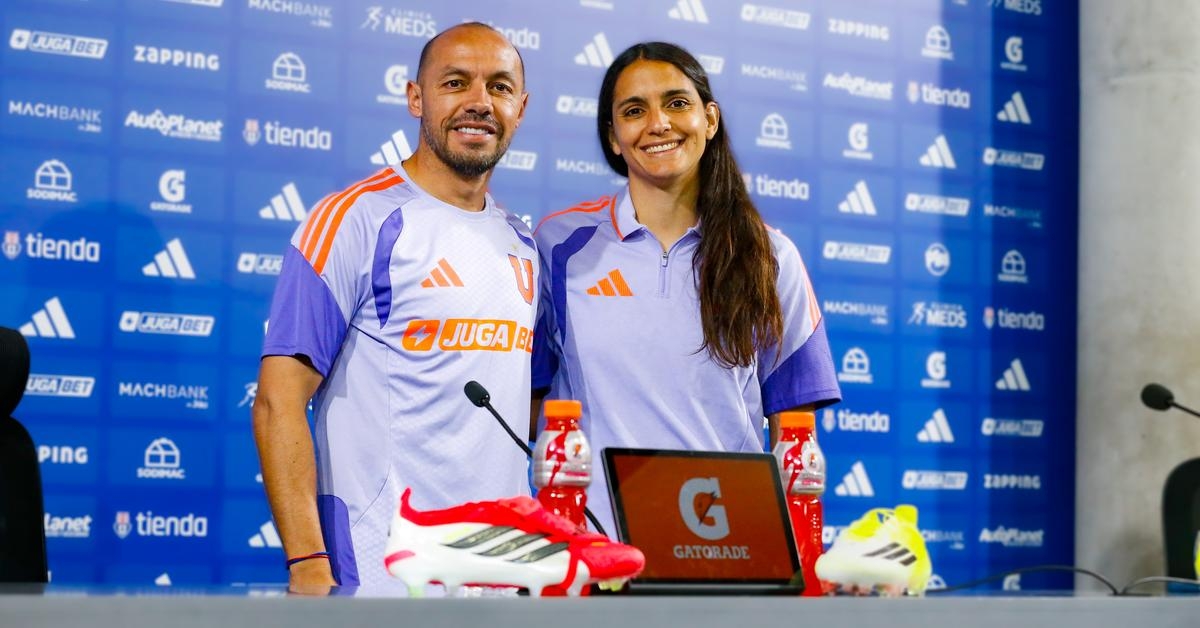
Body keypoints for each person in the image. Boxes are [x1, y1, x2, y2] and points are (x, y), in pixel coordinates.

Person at [253, 22, 536, 589]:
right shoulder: (353, 219)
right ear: (416, 98)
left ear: (520, 108)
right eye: (456, 83)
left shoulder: (522, 242)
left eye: (499, 88)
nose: (479, 102)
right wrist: (308, 564)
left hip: (503, 577)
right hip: (379, 575)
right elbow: (277, 403)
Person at [531, 42, 840, 536]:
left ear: (710, 119)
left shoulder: (770, 256)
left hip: (727, 545)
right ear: (613, 137)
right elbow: (528, 403)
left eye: (677, 103)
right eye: (634, 111)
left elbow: (796, 443)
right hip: (594, 552)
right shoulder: (557, 246)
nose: (658, 123)